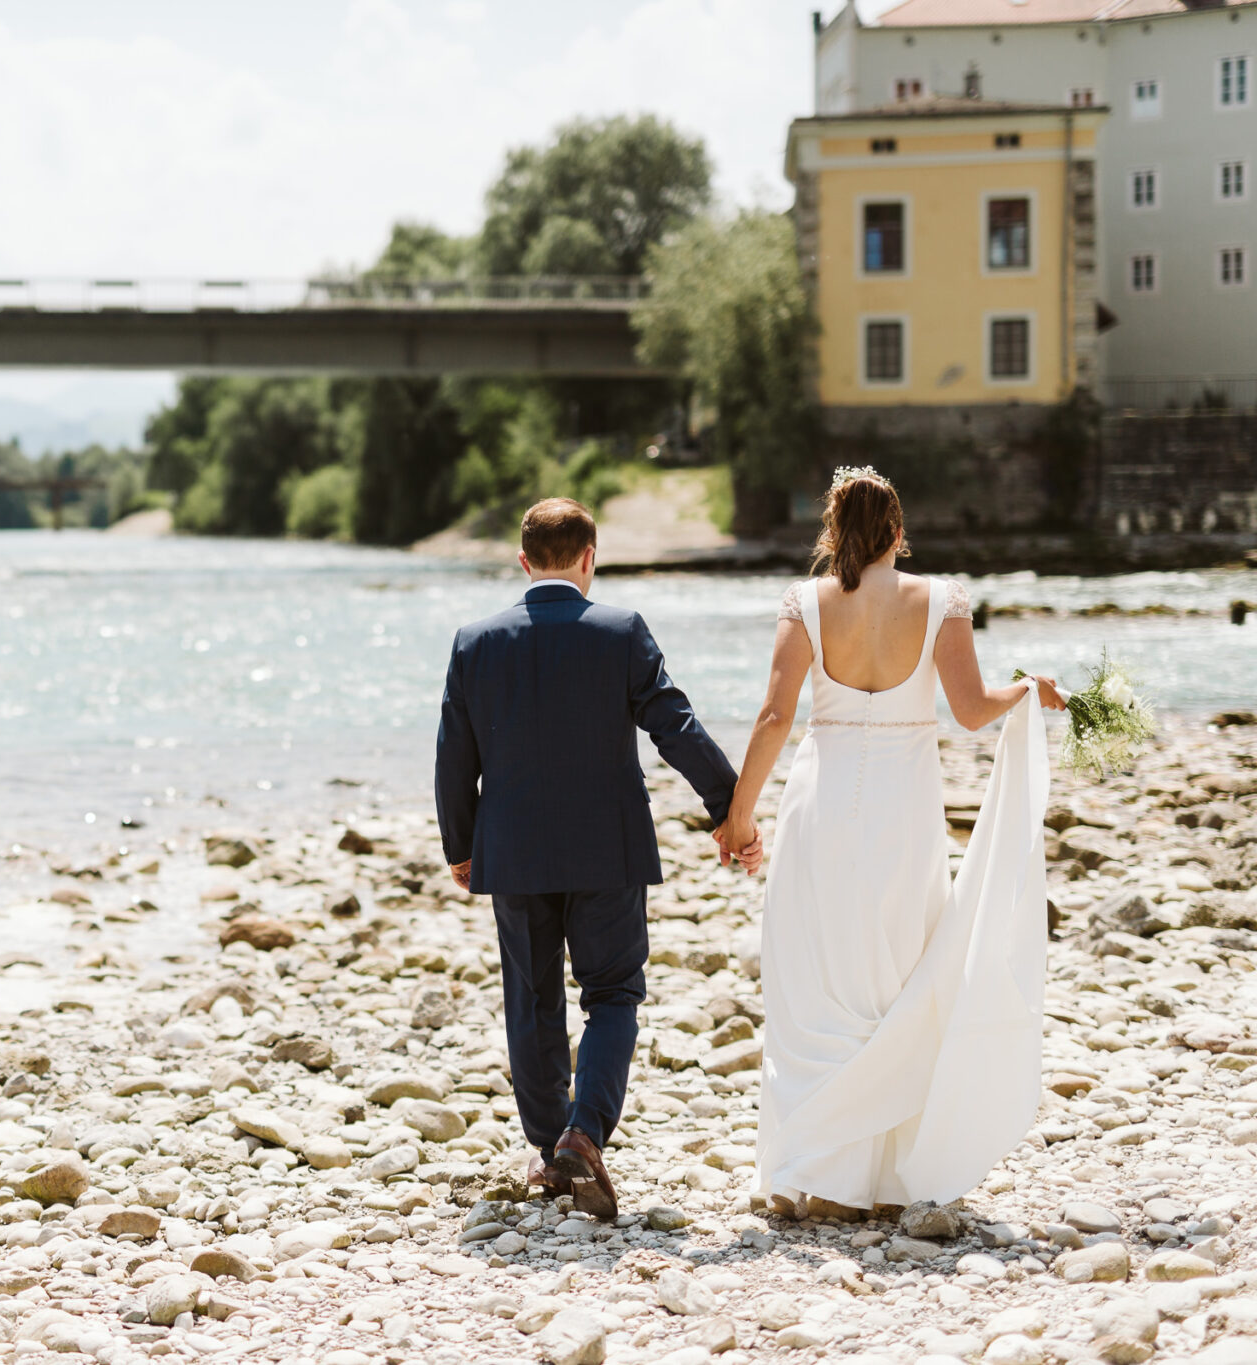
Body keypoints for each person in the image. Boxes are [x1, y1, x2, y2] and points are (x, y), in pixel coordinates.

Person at [720, 467, 1064, 1218]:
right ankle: (881, 1180)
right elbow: (971, 710)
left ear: (832, 532)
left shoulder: (805, 602)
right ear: (899, 534)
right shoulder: (942, 600)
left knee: (817, 973)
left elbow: (775, 717)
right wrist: (1028, 688)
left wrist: (739, 816)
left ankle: (819, 1169)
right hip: (904, 807)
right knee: (899, 971)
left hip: (822, 800)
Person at [434, 498, 750, 1219]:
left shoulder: (475, 641)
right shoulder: (620, 630)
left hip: (513, 851)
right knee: (612, 993)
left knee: (531, 997)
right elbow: (675, 724)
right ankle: (584, 1133)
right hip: (608, 847)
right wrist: (728, 808)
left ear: (523, 562)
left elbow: (455, 753)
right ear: (589, 557)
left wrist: (461, 845)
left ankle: (553, 1150)